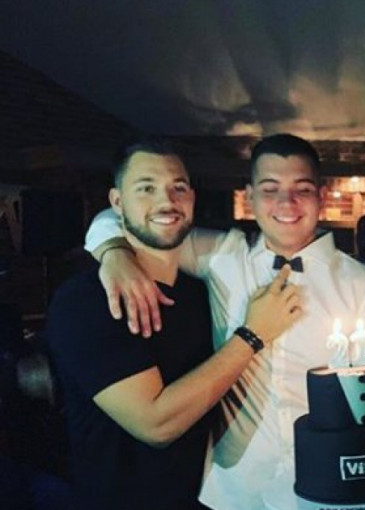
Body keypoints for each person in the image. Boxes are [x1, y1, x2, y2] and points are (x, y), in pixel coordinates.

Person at [84, 134, 365, 510]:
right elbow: (131, 219)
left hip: (328, 490)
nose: (286, 202)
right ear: (249, 197)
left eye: (302, 189)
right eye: (270, 189)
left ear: (321, 196)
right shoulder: (221, 255)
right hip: (232, 492)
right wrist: (114, 253)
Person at [47, 140, 300, 510]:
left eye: (178, 188)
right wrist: (253, 334)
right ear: (117, 202)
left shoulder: (201, 289)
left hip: (207, 499)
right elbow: (156, 424)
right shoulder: (85, 301)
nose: (166, 201)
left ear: (192, 198)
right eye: (146, 188)